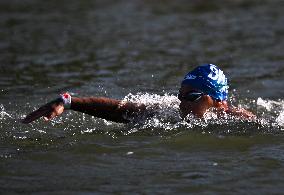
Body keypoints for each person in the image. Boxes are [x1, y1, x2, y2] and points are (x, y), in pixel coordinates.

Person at [21, 64, 255, 124]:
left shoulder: (238, 121)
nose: (181, 104)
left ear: (218, 101)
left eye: (191, 97)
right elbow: (119, 109)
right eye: (180, 95)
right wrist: (68, 101)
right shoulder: (168, 113)